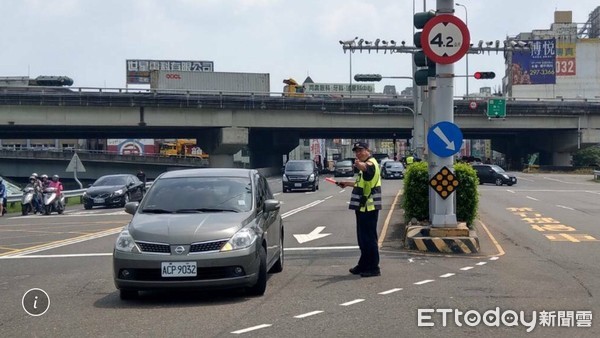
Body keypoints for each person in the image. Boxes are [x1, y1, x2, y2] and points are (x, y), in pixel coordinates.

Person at [335, 142, 382, 277]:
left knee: (369, 238)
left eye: (361, 151)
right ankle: (363, 265)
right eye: (356, 152)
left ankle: (373, 267)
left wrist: (361, 166)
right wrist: (347, 183)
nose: (358, 153)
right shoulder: (366, 165)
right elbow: (361, 182)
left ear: (368, 150)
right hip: (363, 207)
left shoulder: (371, 163)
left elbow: (367, 169)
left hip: (369, 207)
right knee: (362, 238)